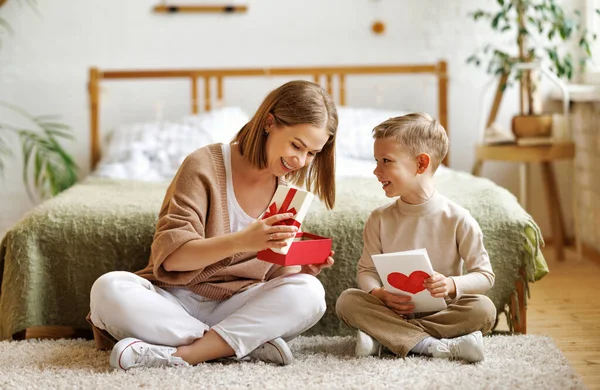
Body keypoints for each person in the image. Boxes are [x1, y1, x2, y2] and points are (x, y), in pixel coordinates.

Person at [88, 80, 338, 371]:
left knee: (309, 292)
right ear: (269, 122)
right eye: (297, 145)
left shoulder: (287, 193)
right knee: (108, 289)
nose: (301, 161)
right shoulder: (204, 165)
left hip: (236, 304)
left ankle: (183, 355)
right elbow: (173, 257)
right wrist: (243, 241)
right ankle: (238, 344)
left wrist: (296, 267)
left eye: (312, 153)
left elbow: (270, 272)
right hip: (175, 300)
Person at [335, 113, 496, 363]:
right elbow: (366, 271)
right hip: (393, 312)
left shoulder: (458, 219)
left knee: (483, 309)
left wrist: (453, 284)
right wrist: (379, 293)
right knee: (347, 300)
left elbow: (485, 275)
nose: (376, 171)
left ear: (421, 164)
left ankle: (386, 339)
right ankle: (433, 346)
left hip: (441, 314)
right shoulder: (378, 219)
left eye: (386, 161)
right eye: (376, 160)